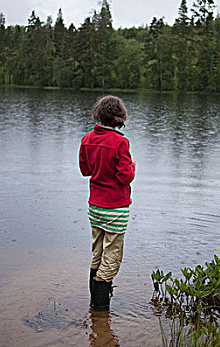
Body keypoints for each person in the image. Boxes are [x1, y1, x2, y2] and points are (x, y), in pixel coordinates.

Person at [79, 95, 136, 311]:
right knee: (111, 258)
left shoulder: (86, 139)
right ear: (119, 119)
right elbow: (125, 177)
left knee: (97, 253)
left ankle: (95, 302)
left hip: (95, 207)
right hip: (115, 209)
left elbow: (86, 171)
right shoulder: (121, 142)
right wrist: (132, 165)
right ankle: (100, 310)